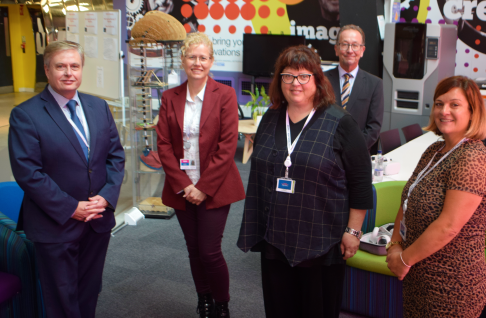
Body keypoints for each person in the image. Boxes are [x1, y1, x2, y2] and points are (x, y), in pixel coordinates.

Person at [237, 45, 373, 318]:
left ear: (317, 80)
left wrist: (353, 232)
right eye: (287, 76)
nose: (295, 83)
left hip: (320, 240)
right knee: (279, 308)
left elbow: (360, 183)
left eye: (303, 76)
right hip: (275, 235)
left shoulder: (341, 123)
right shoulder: (271, 118)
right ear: (279, 81)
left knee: (316, 310)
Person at [8, 41, 125, 318]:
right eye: (60, 66)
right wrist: (71, 207)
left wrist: (106, 197)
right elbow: (28, 172)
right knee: (61, 297)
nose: (68, 72)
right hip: (55, 223)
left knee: (88, 290)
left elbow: (115, 157)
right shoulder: (26, 114)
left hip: (97, 219)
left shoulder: (98, 107)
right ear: (47, 70)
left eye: (74, 66)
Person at [386, 76, 486, 317]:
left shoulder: (473, 159)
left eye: (454, 105)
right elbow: (408, 199)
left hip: (452, 286)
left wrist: (403, 260)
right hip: (420, 276)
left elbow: (448, 227)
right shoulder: (434, 150)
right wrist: (395, 245)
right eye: (439, 104)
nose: (444, 111)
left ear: (472, 111)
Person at [156, 32, 245, 318]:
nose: (197, 63)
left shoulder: (226, 95)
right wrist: (184, 185)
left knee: (209, 251)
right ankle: (203, 299)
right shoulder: (170, 97)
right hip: (182, 187)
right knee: (194, 250)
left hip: (215, 187)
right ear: (183, 60)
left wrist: (203, 187)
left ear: (211, 61)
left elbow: (228, 144)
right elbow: (164, 145)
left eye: (203, 58)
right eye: (192, 57)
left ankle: (222, 303)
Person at [325, 24, 384, 150]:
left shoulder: (375, 84)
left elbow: (374, 128)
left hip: (357, 156)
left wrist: (351, 150)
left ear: (362, 51)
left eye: (355, 45)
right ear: (336, 49)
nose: (350, 50)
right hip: (325, 153)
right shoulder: (322, 80)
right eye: (345, 44)